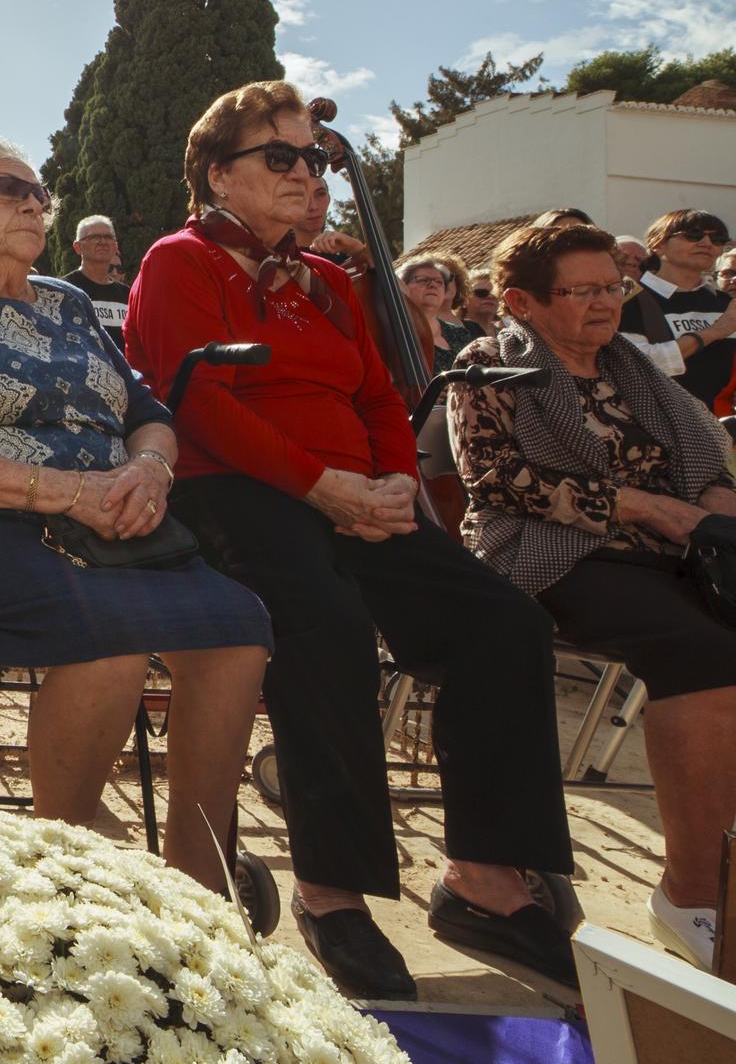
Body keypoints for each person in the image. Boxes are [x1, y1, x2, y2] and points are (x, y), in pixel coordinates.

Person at [127, 80, 577, 998]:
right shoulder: (180, 261)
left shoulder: (327, 280)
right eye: (279, 156)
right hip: (237, 490)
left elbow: (375, 392)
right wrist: (323, 484)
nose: (304, 172)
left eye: (312, 157)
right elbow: (199, 401)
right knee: (325, 627)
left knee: (504, 625)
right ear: (218, 174)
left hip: (355, 493)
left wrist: (394, 483)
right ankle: (332, 894)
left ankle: (485, 880)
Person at [0, 133, 272, 895]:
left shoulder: (69, 302)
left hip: (108, 527)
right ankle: (59, 881)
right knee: (107, 635)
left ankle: (199, 888)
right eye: (7, 188)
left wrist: (149, 467)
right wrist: (67, 490)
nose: (33, 202)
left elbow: (147, 409)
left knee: (237, 625)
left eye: (38, 192)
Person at [448, 222, 736, 968]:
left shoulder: (633, 366)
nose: (608, 302)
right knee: (705, 652)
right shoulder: (488, 364)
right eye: (586, 290)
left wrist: (715, 505)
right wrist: (645, 507)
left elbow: (703, 450)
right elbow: (497, 481)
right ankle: (692, 896)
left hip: (671, 554)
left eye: (615, 286)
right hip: (555, 552)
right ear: (522, 301)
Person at [619, 209, 736, 414]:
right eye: (693, 235)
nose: (706, 243)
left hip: (723, 427)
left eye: (717, 238)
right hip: (660, 425)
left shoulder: (726, 302)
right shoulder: (627, 299)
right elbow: (633, 367)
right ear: (658, 244)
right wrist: (713, 332)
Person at [396, 253, 479, 375]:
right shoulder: (396, 333)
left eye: (439, 282)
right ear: (404, 287)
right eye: (423, 280)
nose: (433, 285)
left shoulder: (459, 333)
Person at [65, 215, 130, 348]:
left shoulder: (127, 295)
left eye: (108, 237)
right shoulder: (64, 290)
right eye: (94, 237)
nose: (102, 242)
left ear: (115, 247)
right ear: (78, 247)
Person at [292, 167, 366, 266]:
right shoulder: (280, 260)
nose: (313, 206)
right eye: (301, 196)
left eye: (320, 194)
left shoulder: (346, 256)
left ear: (329, 198)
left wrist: (355, 247)